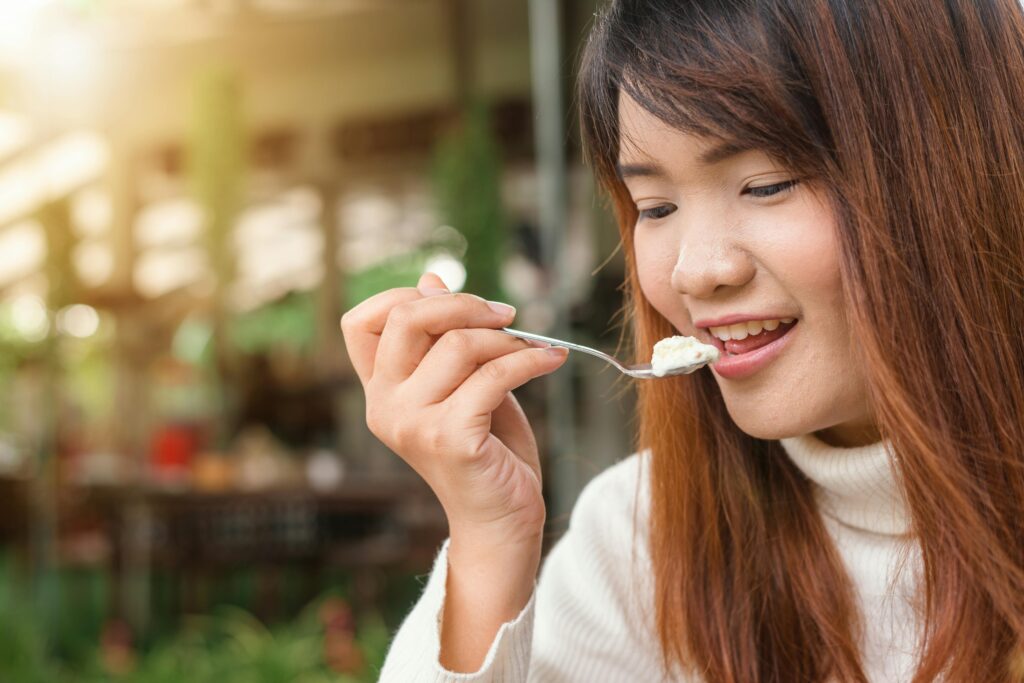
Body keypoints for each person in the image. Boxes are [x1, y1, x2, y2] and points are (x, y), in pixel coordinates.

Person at [340, 0, 1024, 680]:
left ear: (959, 172)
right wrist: (490, 543)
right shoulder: (645, 536)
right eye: (656, 208)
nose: (693, 271)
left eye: (765, 185)